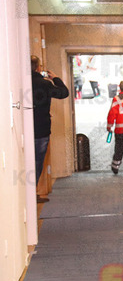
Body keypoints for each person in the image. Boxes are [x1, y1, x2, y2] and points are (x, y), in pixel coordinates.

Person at [30, 55, 69, 203]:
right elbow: (64, 93)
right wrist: (56, 78)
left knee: (24, 162)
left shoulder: (19, 82)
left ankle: (24, 196)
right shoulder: (45, 84)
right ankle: (32, 194)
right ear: (38, 68)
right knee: (37, 162)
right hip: (41, 129)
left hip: (24, 131)